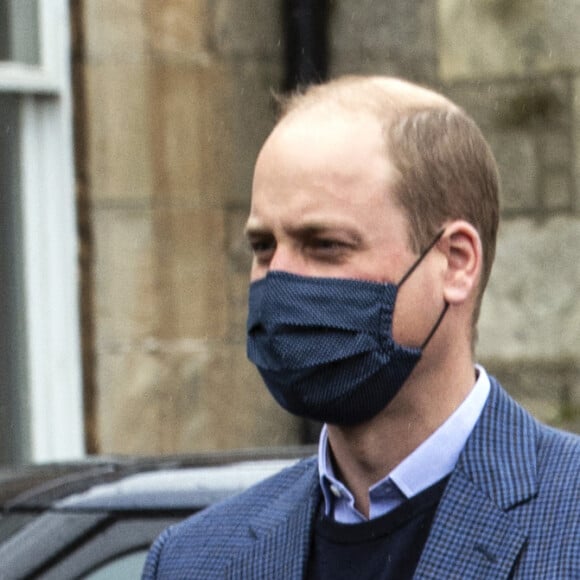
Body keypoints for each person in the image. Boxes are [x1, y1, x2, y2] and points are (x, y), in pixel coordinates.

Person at [142, 76, 580, 579]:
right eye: (263, 247)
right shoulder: (192, 559)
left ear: (456, 263)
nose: (280, 279)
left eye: (325, 244)